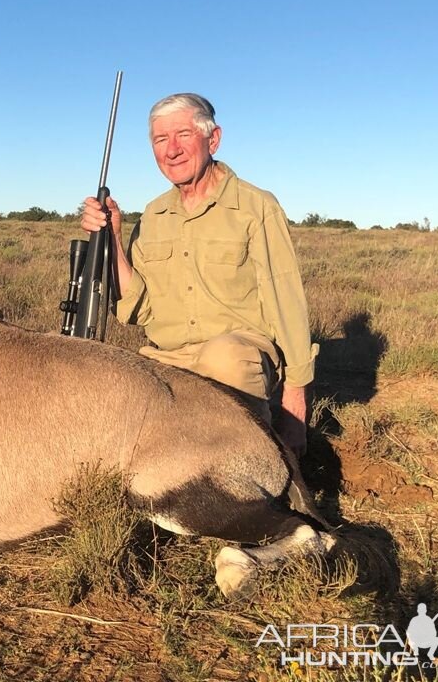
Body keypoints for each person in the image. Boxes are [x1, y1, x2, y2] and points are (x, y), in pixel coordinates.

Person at [81, 93, 317, 456]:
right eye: (160, 140)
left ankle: (255, 463)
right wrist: (112, 237)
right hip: (168, 358)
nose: (171, 149)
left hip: (239, 354)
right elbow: (137, 310)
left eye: (183, 135)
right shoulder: (153, 215)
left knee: (223, 358)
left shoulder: (256, 206)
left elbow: (286, 303)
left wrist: (295, 406)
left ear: (214, 139)